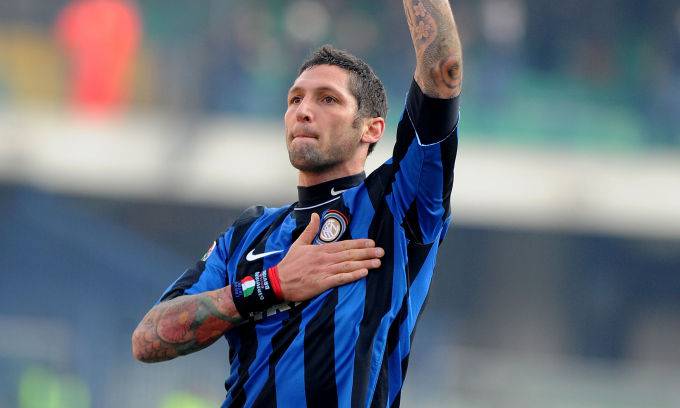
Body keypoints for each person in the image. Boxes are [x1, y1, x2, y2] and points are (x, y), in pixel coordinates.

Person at [132, 1, 462, 406]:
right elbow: (147, 339)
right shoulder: (249, 232)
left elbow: (442, 67)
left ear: (372, 128)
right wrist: (271, 286)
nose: (304, 111)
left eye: (328, 99)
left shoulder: (396, 207)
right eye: (294, 99)